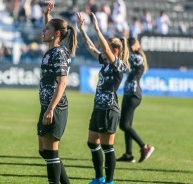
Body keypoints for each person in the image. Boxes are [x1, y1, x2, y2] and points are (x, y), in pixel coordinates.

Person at [77, 12, 129, 184]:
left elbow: (104, 48)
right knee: (92, 143)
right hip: (98, 108)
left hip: (109, 109)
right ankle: (99, 178)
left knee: (107, 147)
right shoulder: (106, 62)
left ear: (115, 51)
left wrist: (98, 28)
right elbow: (91, 47)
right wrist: (82, 30)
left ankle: (109, 181)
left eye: (107, 47)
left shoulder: (118, 65)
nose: (103, 49)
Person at [37, 1, 77, 183]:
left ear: (57, 34)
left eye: (47, 29)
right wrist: (47, 15)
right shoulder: (51, 51)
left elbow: (62, 83)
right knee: (44, 150)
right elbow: (51, 27)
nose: (43, 31)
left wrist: (51, 108)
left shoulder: (59, 53)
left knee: (51, 153)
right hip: (46, 106)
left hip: (56, 107)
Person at [117, 38, 154, 163]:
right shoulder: (136, 57)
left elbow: (126, 56)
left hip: (133, 94)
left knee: (123, 125)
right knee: (127, 125)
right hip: (129, 93)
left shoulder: (138, 58)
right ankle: (128, 155)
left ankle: (145, 147)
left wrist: (123, 46)